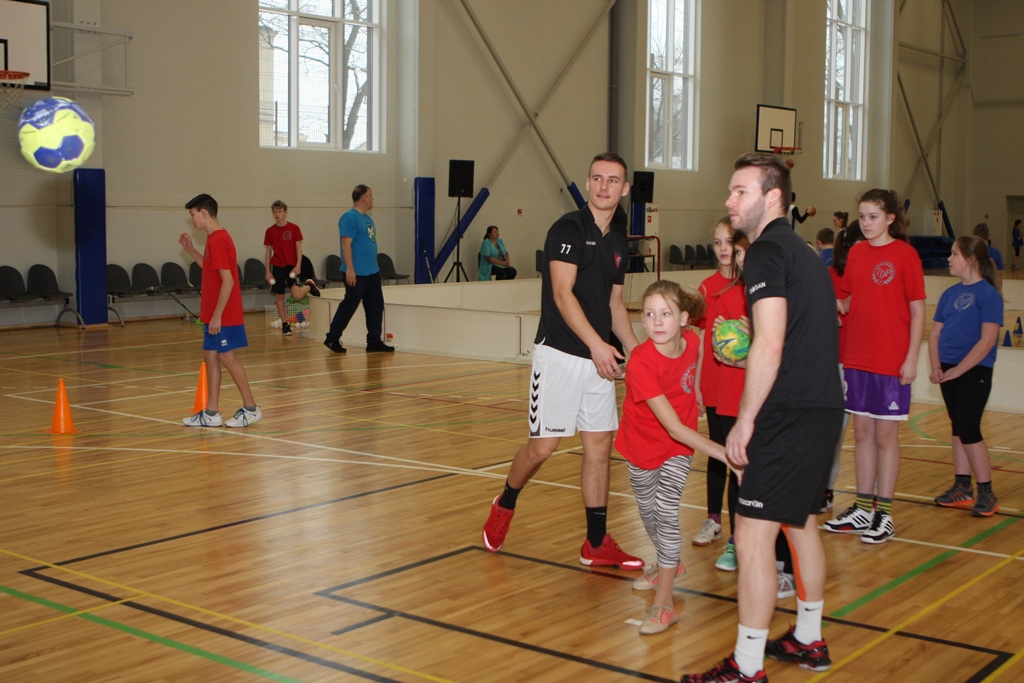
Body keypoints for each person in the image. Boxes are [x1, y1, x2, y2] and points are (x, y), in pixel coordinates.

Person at [682, 154, 843, 683]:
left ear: (773, 197)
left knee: (751, 535)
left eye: (740, 192)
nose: (729, 201)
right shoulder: (802, 253)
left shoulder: (766, 252)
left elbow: (770, 343)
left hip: (787, 411)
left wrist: (746, 420)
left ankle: (746, 666)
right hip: (821, 407)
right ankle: (808, 638)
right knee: (800, 523)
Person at [481, 152, 644, 570]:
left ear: (625, 189)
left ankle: (596, 543)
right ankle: (505, 503)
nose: (604, 186)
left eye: (613, 180)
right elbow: (561, 293)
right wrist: (598, 345)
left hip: (598, 360)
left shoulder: (618, 244)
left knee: (599, 447)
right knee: (543, 448)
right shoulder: (567, 229)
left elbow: (614, 305)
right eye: (597, 178)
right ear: (587, 184)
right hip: (559, 355)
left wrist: (639, 353)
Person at [617, 280, 728, 635]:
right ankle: (670, 562)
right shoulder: (640, 363)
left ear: (683, 318)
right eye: (649, 315)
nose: (656, 322)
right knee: (648, 515)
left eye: (665, 314)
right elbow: (672, 426)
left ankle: (664, 604)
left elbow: (697, 355)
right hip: (641, 445)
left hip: (678, 445)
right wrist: (725, 454)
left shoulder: (692, 340)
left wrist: (695, 389)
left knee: (665, 512)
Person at [825, 190, 926, 545]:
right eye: (862, 217)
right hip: (857, 357)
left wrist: (911, 358)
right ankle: (862, 508)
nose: (866, 223)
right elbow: (851, 299)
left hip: (890, 359)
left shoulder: (906, 255)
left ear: (890, 218)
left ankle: (884, 513)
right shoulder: (856, 253)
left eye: (873, 217)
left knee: (885, 437)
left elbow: (917, 310)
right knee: (862, 435)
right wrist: (828, 301)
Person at [929, 235, 1002, 517]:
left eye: (954, 254)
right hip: (948, 368)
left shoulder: (988, 295)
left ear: (970, 259)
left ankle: (987, 492)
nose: (948, 259)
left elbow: (987, 341)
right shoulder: (949, 294)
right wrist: (936, 366)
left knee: (970, 428)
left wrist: (960, 370)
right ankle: (962, 487)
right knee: (958, 427)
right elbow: (935, 334)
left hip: (975, 370)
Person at [178, 194, 262, 428]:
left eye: (193, 214)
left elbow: (228, 281)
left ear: (204, 213)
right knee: (210, 356)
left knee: (226, 356)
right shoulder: (212, 239)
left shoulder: (218, 240)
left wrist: (217, 315)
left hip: (223, 314)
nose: (192, 220)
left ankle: (251, 408)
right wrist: (191, 250)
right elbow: (209, 268)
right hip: (214, 313)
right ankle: (211, 413)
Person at [691, 218, 736, 555]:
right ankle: (713, 519)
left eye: (729, 242)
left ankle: (739, 533)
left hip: (740, 383)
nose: (723, 248)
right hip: (712, 381)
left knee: (737, 457)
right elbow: (703, 338)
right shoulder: (706, 288)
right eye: (718, 242)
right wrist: (696, 383)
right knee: (716, 453)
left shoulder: (751, 286)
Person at [820, 221, 864, 513]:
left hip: (864, 363)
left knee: (868, 435)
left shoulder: (871, 277)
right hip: (834, 363)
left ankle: (870, 500)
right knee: (831, 432)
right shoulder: (829, 276)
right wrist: (827, 312)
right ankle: (825, 488)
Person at [323, 185, 394, 354]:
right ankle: (332, 337)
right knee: (349, 305)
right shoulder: (349, 217)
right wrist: (350, 270)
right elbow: (345, 244)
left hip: (372, 271)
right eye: (371, 195)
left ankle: (374, 341)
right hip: (357, 272)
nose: (373, 198)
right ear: (363, 198)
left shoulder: (367, 218)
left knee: (375, 306)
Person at [263, 199, 320, 337]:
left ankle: (309, 285)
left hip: (292, 266)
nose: (277, 214)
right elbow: (268, 252)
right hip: (278, 265)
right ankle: (285, 325)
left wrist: (298, 265)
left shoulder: (294, 228)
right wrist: (268, 271)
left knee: (297, 295)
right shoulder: (270, 231)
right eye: (275, 212)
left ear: (285, 212)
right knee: (280, 296)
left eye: (280, 211)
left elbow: (299, 248)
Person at [972, 223, 1004, 292]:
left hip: (976, 287)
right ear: (988, 236)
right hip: (991, 287)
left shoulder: (971, 252)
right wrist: (999, 291)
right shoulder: (995, 252)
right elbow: (999, 273)